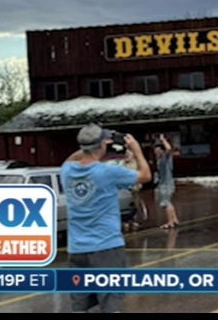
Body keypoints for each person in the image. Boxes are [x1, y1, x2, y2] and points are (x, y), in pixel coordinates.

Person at [61, 123, 152, 314]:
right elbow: (145, 175)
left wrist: (96, 148)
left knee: (80, 304)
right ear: (103, 144)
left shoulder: (67, 172)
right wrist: (136, 150)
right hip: (106, 247)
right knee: (111, 303)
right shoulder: (108, 172)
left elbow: (72, 159)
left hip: (77, 249)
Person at [153, 134, 181, 229]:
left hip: (166, 184)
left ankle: (170, 222)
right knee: (168, 202)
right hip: (164, 183)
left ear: (162, 151)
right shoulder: (160, 160)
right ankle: (174, 219)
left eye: (158, 150)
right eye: (155, 151)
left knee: (166, 203)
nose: (156, 152)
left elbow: (169, 149)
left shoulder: (166, 158)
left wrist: (163, 140)